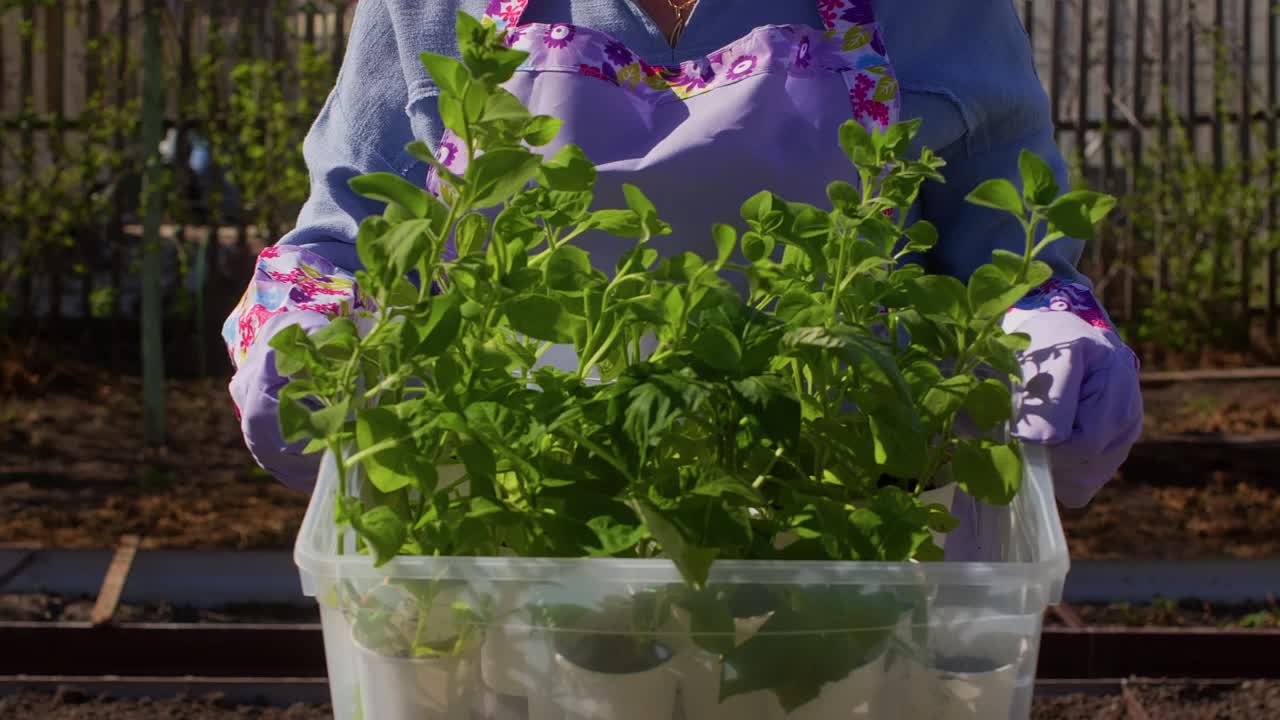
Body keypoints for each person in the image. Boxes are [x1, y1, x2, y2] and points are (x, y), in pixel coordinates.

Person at [222, 0, 1144, 561]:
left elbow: (1009, 263)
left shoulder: (940, 11)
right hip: (514, 542)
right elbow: (340, 242)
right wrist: (302, 330)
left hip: (852, 546)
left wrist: (1050, 334)